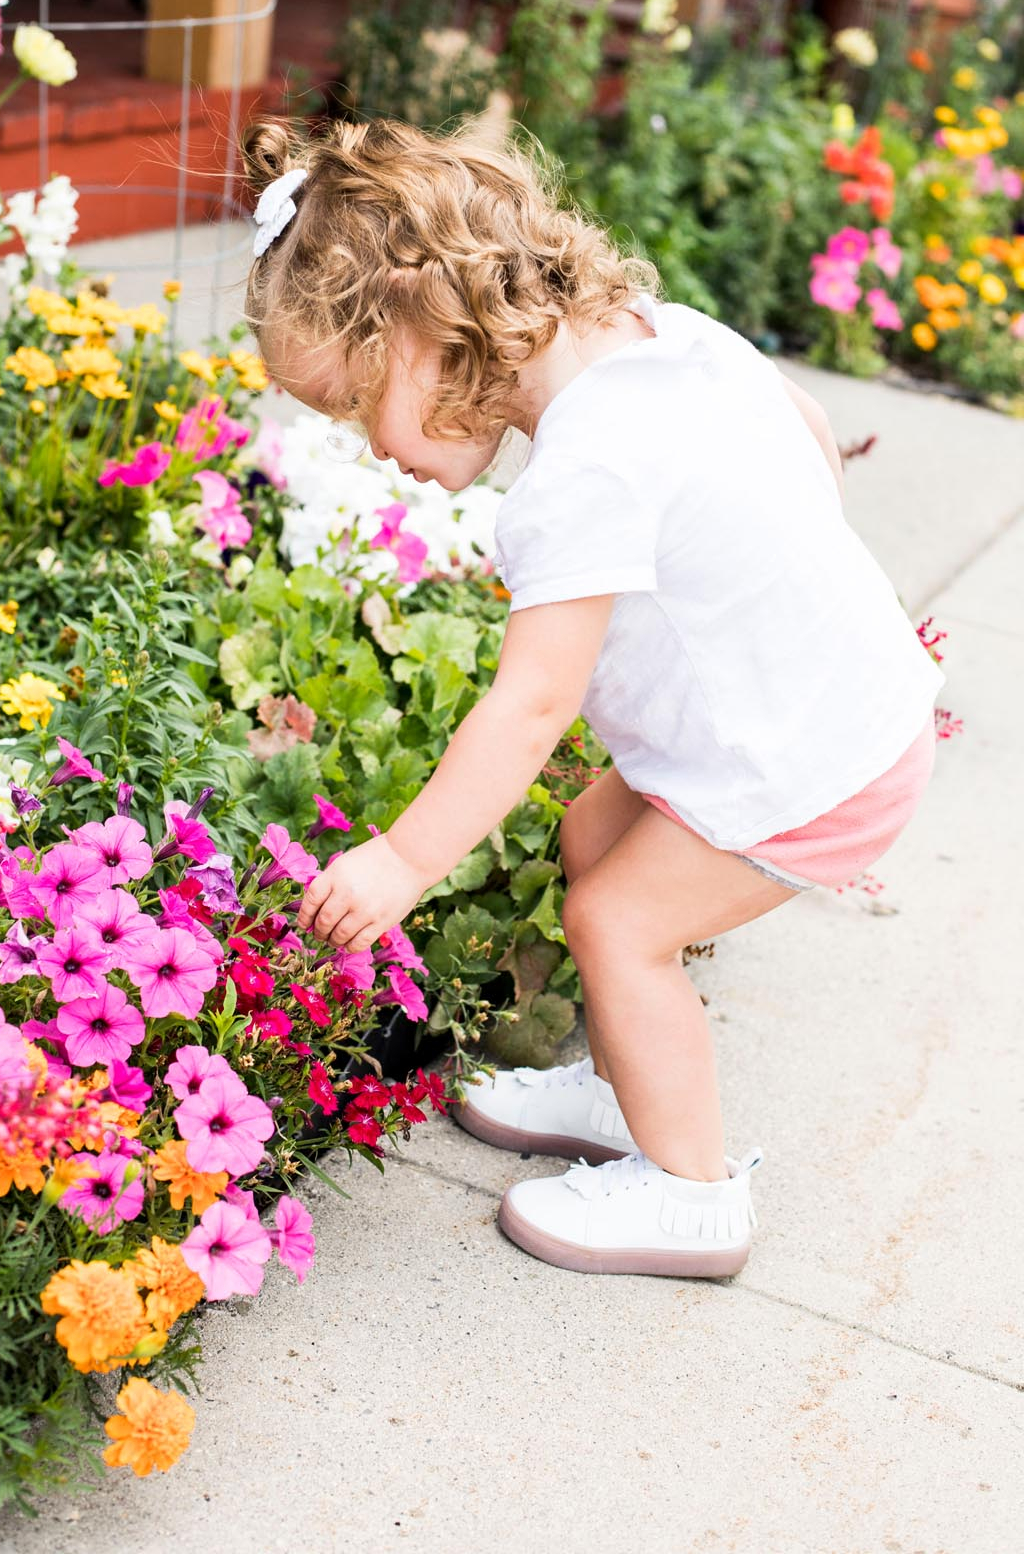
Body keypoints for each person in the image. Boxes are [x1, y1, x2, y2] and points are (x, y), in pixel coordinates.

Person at [240, 115, 944, 1281]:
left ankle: (693, 1191)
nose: (369, 448)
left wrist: (402, 863)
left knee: (616, 924)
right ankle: (631, 1084)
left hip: (809, 765)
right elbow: (809, 431)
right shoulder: (662, 340)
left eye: (357, 406)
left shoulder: (581, 473)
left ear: (422, 328)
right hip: (838, 709)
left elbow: (530, 706)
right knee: (594, 834)